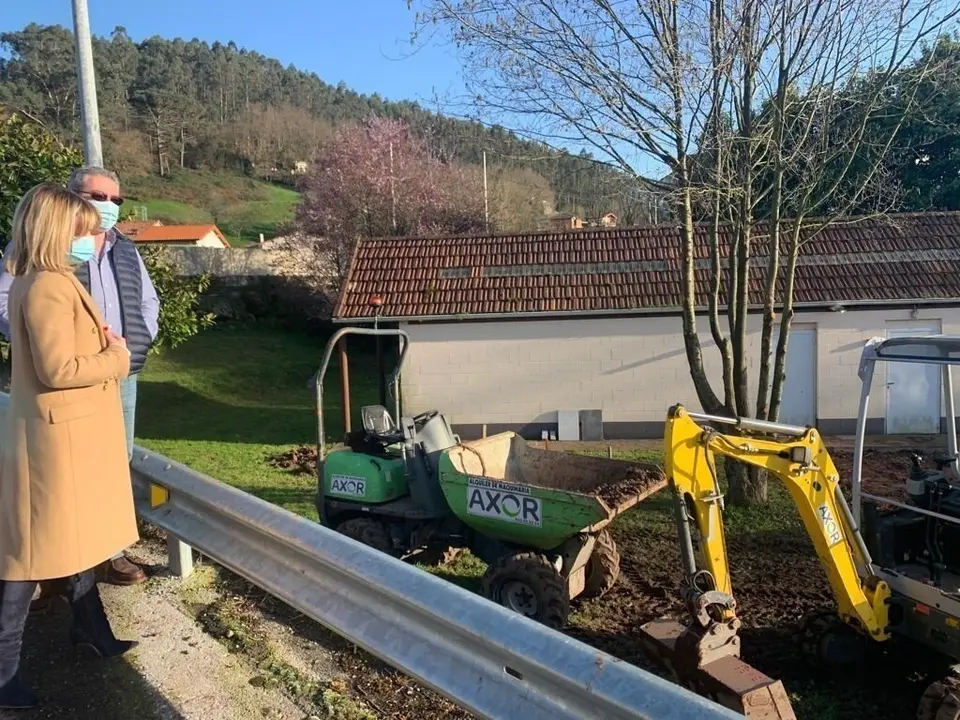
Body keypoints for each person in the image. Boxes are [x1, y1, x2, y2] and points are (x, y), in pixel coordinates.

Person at [0, 183, 139, 709]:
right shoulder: (47, 287)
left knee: (73, 540)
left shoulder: (38, 279)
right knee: (27, 557)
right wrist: (116, 358)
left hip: (63, 438)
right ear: (60, 229)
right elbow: (58, 369)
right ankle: (3, 674)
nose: (90, 236)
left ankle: (92, 631)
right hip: (57, 444)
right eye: (82, 228)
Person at [0, 166, 159, 587]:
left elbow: (148, 302)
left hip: (118, 372)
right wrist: (37, 335)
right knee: (68, 477)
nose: (108, 207)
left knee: (112, 462)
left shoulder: (125, 248)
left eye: (115, 200)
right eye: (98, 197)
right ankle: (66, 563)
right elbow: (7, 301)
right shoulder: (38, 255)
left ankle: (106, 552)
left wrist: (131, 347)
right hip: (69, 384)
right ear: (71, 197)